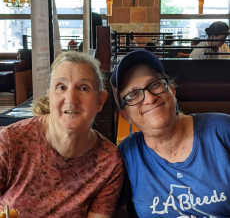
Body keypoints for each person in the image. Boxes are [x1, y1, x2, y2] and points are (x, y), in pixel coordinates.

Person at [0, 51, 125, 217]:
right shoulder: (9, 141)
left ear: (100, 101)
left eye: (83, 88)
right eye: (61, 87)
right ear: (49, 96)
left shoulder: (108, 162)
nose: (71, 99)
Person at [111, 49, 230, 217]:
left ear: (172, 92)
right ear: (126, 116)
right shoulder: (128, 154)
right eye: (133, 94)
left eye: (155, 84)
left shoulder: (222, 130)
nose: (149, 98)